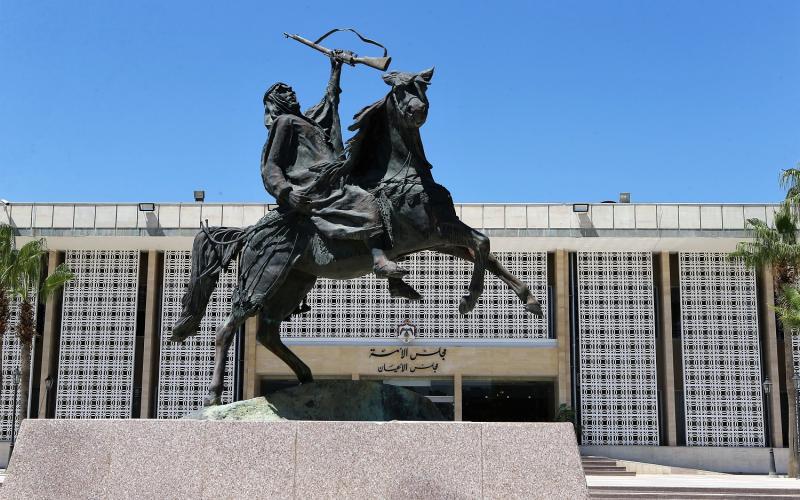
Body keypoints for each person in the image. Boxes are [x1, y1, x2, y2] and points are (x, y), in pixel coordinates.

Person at [261, 53, 406, 278]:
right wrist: (286, 192)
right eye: (284, 92)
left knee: (385, 195)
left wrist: (336, 70)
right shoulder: (284, 121)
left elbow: (330, 101)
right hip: (316, 186)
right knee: (364, 200)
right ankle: (378, 260)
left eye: (291, 90)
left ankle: (394, 278)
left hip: (334, 177)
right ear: (276, 101)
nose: (291, 93)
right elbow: (271, 166)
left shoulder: (309, 119)